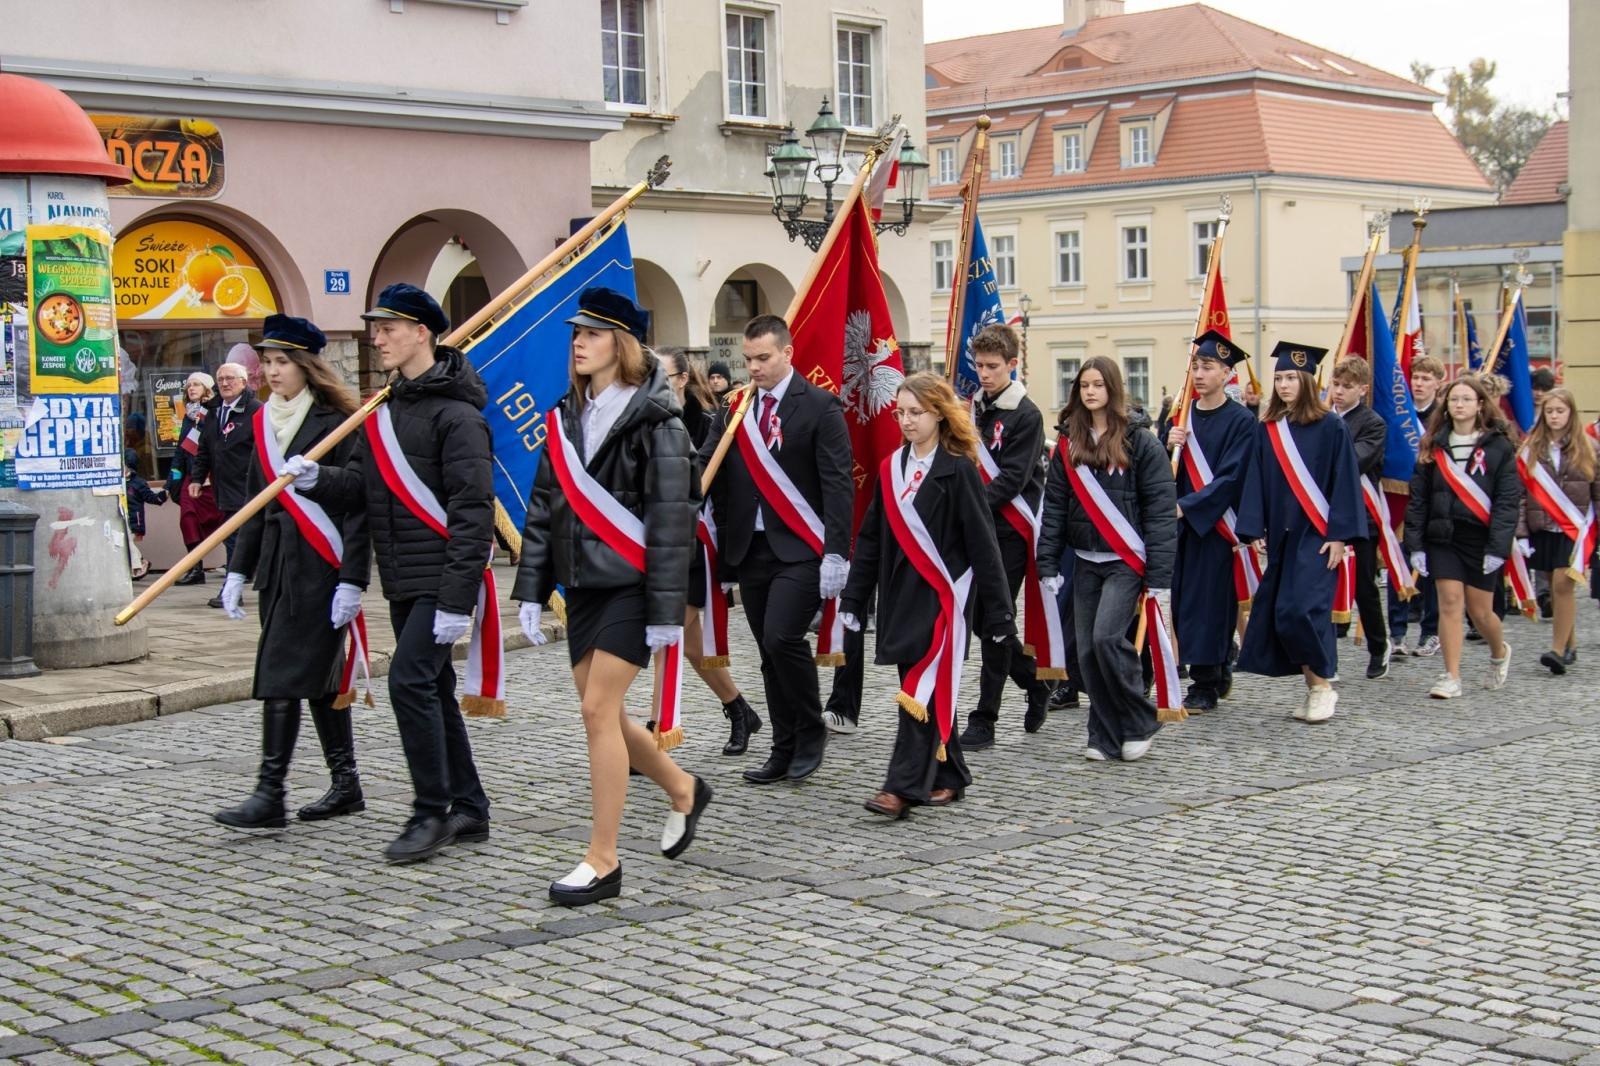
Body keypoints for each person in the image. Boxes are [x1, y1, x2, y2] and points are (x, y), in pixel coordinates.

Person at [286, 283, 494, 864]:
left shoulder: (459, 417)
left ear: (422, 332)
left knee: (408, 681)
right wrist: (316, 479)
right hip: (401, 577)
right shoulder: (383, 408)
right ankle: (470, 807)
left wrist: (457, 599)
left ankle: (430, 811)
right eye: (375, 328)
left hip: (440, 580)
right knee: (433, 688)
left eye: (388, 328)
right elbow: (361, 489)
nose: (376, 338)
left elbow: (472, 512)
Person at [514, 288, 707, 906]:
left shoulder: (659, 420)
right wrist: (532, 587)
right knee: (608, 716)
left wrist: (665, 613)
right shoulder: (567, 413)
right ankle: (683, 788)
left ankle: (603, 860)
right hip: (585, 586)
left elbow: (674, 521)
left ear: (620, 345)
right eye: (576, 333)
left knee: (597, 712)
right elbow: (545, 507)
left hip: (633, 585)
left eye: (592, 334)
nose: (578, 342)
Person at [214, 315, 371, 830]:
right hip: (279, 570)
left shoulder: (338, 421)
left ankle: (270, 793)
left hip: (321, 566)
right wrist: (239, 569)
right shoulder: (263, 422)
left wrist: (353, 578)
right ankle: (345, 783)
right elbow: (257, 507)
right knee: (320, 678)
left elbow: (358, 501)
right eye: (269, 362)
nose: (273, 371)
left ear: (308, 366)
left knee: (279, 673)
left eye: (283, 362)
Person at [841, 372, 1011, 816]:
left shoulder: (958, 469)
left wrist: (999, 614)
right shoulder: (891, 467)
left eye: (915, 413)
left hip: (943, 601)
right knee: (925, 688)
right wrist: (854, 600)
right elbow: (872, 537)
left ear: (938, 413)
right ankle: (951, 773)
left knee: (917, 690)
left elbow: (983, 544)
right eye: (900, 413)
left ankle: (901, 788)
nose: (906, 421)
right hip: (900, 596)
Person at [699, 315, 854, 784]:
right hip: (751, 547)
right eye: (748, 359)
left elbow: (838, 484)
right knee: (768, 654)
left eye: (763, 358)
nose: (754, 368)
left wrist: (835, 552)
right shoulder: (736, 408)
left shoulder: (820, 407)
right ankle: (783, 746)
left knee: (783, 637)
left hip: (802, 548)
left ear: (788, 353)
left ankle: (810, 732)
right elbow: (708, 466)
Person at [1037, 356, 1178, 762]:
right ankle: (1102, 733)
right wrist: (1047, 563)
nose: (1091, 391)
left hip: (1125, 560)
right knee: (1085, 652)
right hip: (1085, 559)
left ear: (1112, 388)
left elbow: (1160, 511)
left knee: (1107, 639)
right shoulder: (1069, 441)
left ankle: (1140, 721)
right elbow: (1056, 506)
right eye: (1084, 385)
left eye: (1098, 384)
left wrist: (1160, 576)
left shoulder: (1141, 442)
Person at [1236, 343, 1363, 723]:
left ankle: (1323, 685)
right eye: (1279, 378)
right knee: (1283, 612)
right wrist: (1253, 527)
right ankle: (1315, 686)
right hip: (1281, 534)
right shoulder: (1269, 429)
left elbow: (1346, 481)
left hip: (1319, 535)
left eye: (1291, 377)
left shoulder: (1331, 426)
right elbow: (1255, 479)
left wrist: (1340, 534)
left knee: (1304, 610)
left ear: (1308, 380)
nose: (1284, 384)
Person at [660, 348, 762, 754]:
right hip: (664, 544)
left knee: (667, 633)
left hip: (699, 543)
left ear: (683, 379)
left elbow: (722, 486)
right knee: (689, 643)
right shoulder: (647, 422)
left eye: (663, 376)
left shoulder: (708, 423)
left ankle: (658, 732)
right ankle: (739, 708)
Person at [956, 325, 1051, 750]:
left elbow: (1012, 479)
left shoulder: (1026, 414)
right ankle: (1032, 681)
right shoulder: (971, 407)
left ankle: (985, 718)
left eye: (993, 367)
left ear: (1012, 365)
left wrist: (969, 510)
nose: (984, 374)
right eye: (979, 366)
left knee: (996, 620)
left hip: (1009, 529)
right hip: (974, 528)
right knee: (977, 619)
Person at [1404, 374, 1521, 699]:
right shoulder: (1433, 444)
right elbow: (1419, 499)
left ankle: (1499, 651)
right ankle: (1451, 675)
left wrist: (1499, 547)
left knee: (1481, 611)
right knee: (1450, 603)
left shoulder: (1498, 445)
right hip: (1443, 536)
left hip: (1482, 538)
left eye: (1467, 399)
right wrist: (1415, 545)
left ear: (1480, 404)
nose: (1459, 404)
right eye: (1454, 399)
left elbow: (1507, 500)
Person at [1162, 330, 1256, 712]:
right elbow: (1163, 470)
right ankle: (1215, 668)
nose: (1199, 374)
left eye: (1209, 367)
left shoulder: (1240, 421)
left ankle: (1205, 681)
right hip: (1180, 526)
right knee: (1184, 603)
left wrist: (1190, 505)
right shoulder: (1180, 416)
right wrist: (1168, 443)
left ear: (1227, 373)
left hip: (1215, 525)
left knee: (1211, 604)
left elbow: (1232, 477)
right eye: (1196, 366)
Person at [1514, 387, 1599, 674]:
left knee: (1564, 585)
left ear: (1571, 413)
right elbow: (1521, 495)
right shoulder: (1530, 449)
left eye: (1560, 411)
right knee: (1552, 586)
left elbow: (1597, 492)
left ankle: (1558, 651)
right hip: (1542, 526)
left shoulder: (1589, 447)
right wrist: (1522, 532)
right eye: (1549, 411)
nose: (1554, 416)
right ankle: (1570, 644)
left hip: (1574, 529)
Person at [1326, 356, 1393, 680]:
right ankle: (1327, 657)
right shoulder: (1323, 418)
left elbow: (1356, 461)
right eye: (1336, 384)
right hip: (1324, 516)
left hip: (1360, 517)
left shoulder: (1373, 423)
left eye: (1347, 386)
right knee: (1324, 587)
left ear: (1363, 389)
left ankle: (1379, 646)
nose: (1339, 391)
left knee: (1363, 588)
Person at [190, 360, 262, 605]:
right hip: (223, 487)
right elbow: (205, 449)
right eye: (221, 379)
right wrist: (197, 478)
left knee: (235, 538)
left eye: (230, 378)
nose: (225, 383)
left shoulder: (255, 410)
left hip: (248, 486)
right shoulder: (214, 411)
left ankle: (232, 590)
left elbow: (265, 450)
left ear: (244, 382)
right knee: (238, 538)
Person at [1392, 357, 1444, 656]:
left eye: (1426, 378)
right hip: (1403, 501)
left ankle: (1430, 632)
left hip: (1434, 505)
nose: (1419, 383)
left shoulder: (1442, 419)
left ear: (1438, 383)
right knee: (1399, 565)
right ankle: (1397, 633)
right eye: (1416, 377)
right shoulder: (1400, 415)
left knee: (1431, 572)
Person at [169, 371, 223, 587]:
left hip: (212, 476)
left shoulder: (215, 412)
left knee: (224, 520)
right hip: (191, 476)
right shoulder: (187, 416)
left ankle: (239, 565)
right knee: (188, 519)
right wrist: (173, 477)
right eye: (189, 385)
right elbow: (181, 450)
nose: (191, 388)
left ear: (207, 389)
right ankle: (195, 568)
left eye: (197, 385)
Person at [125, 448, 166, 581]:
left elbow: (151, 497)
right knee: (125, 543)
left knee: (128, 542)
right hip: (124, 519)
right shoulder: (119, 482)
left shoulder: (138, 483)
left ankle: (140, 564)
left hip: (134, 520)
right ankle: (137, 565)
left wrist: (162, 495)